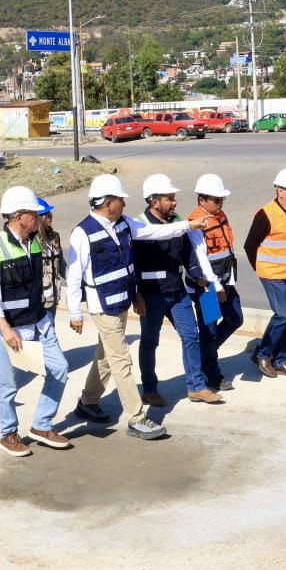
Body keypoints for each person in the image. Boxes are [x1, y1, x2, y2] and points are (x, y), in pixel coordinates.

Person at [66, 174, 214, 441]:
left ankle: (87, 402)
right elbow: (74, 275)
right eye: (120, 200)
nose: (124, 203)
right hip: (103, 306)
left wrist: (188, 225)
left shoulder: (123, 223)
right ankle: (136, 417)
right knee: (121, 358)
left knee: (106, 356)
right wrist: (75, 312)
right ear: (107, 202)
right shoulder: (83, 232)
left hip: (122, 300)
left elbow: (155, 231)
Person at [0, 186, 71, 457]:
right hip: (11, 329)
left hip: (39, 322)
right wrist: (5, 328)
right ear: (19, 216)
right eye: (34, 213)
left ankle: (42, 425)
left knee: (60, 369)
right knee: (9, 386)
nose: (39, 218)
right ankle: (8, 433)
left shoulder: (33, 242)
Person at [134, 174, 224, 406]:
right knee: (150, 341)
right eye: (169, 199)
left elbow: (188, 255)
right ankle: (150, 389)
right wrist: (137, 295)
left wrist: (199, 277)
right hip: (151, 295)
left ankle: (197, 387)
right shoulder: (139, 226)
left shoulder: (177, 222)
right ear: (154, 201)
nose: (174, 203)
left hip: (177, 292)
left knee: (191, 335)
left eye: (174, 198)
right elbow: (131, 264)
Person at [243, 168, 286, 378]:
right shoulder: (266, 214)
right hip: (272, 275)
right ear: (280, 190)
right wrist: (260, 268)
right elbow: (249, 245)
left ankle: (280, 360)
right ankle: (262, 354)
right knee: (283, 315)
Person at [188, 174, 242, 392]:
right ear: (202, 200)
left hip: (225, 280)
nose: (220, 204)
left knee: (235, 318)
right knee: (209, 328)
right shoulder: (195, 222)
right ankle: (212, 373)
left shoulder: (219, 215)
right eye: (216, 200)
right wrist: (215, 286)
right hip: (206, 286)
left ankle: (204, 354)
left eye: (222, 200)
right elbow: (200, 259)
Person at [36, 197, 66, 319]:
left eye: (50, 214)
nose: (50, 218)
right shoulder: (32, 241)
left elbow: (62, 264)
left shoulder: (55, 237)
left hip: (52, 296)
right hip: (39, 298)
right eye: (47, 215)